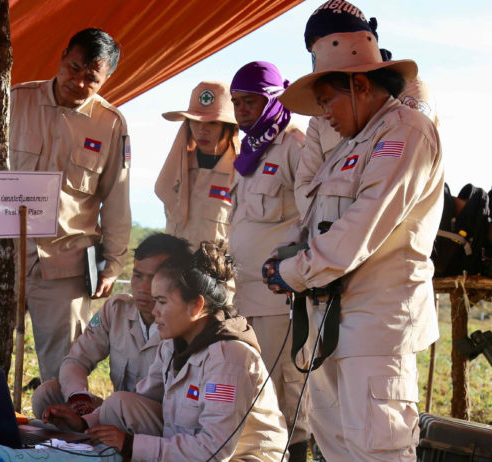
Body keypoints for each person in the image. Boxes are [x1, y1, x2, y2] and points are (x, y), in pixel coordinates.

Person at [269, 30, 444, 461]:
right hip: (332, 327)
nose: (323, 114)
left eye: (327, 99)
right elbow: (319, 219)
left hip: (374, 332)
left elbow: (361, 225)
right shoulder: (353, 143)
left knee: (376, 451)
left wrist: (294, 271)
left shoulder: (406, 131)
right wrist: (287, 254)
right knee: (336, 449)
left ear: (360, 85)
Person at [0, 28, 132, 382]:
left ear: (106, 78)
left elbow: (117, 198)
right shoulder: (15, 100)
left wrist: (113, 264)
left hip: (67, 266)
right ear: (62, 57)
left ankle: (56, 438)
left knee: (63, 370)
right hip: (5, 254)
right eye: (74, 68)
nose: (78, 82)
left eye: (91, 78)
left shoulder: (110, 124)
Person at [44, 241, 288, 461]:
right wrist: (83, 424)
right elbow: (144, 398)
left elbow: (213, 451)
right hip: (189, 449)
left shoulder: (228, 358)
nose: (155, 311)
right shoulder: (174, 344)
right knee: (119, 402)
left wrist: (131, 446)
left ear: (196, 306)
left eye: (162, 302)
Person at [227, 61, 310, 461]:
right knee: (254, 387)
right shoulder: (250, 149)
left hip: (281, 296)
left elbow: (312, 217)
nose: (242, 110)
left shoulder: (295, 144)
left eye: (250, 101)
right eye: (237, 102)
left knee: (287, 389)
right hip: (243, 294)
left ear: (273, 99)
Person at [295, 0, 437, 218]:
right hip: (330, 239)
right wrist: (323, 227)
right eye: (313, 49)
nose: (319, 55)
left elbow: (398, 173)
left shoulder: (410, 91)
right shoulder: (321, 110)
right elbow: (305, 186)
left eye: (326, 43)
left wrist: (340, 228)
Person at [30, 233, 191, 419]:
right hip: (117, 410)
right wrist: (78, 398)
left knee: (120, 404)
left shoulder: (184, 325)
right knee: (47, 393)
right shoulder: (116, 310)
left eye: (154, 277)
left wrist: (94, 418)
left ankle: (87, 435)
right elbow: (76, 360)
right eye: (137, 276)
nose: (143, 288)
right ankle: (66, 444)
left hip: (159, 422)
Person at [155, 82, 239, 249]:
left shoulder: (243, 174)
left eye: (213, 123)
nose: (202, 130)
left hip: (217, 273)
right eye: (195, 121)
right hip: (175, 270)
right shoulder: (177, 170)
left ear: (229, 128)